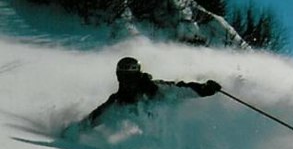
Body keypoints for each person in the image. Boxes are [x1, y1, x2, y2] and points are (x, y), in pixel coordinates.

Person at [87, 57, 221, 124]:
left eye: (130, 77)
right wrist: (75, 131)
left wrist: (205, 89)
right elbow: (96, 117)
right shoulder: (117, 100)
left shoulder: (154, 88)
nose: (127, 82)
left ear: (137, 75)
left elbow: (181, 89)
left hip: (168, 133)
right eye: (123, 77)